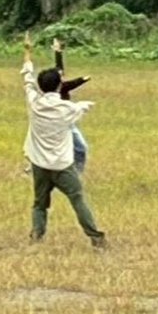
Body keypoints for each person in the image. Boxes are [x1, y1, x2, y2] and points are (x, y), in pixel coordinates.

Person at [21, 33, 106, 248]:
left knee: (40, 204)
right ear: (60, 86)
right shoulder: (68, 108)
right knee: (77, 199)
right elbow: (80, 108)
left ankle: (36, 236)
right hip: (61, 164)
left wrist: (27, 53)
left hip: (39, 163)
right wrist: (86, 104)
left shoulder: (34, 103)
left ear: (42, 86)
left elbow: (27, 79)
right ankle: (96, 237)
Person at [53, 38, 90, 174]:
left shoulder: (56, 85)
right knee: (80, 148)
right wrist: (82, 79)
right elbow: (71, 83)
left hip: (64, 121)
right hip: (62, 123)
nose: (63, 76)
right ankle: (77, 173)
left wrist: (58, 53)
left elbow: (59, 69)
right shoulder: (59, 88)